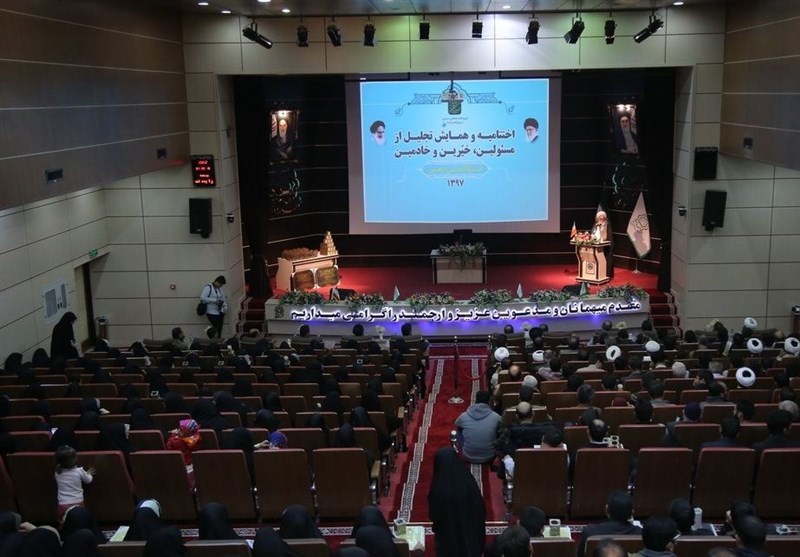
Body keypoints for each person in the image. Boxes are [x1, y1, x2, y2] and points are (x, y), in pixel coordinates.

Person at [427, 447, 486, 557]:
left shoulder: (438, 489)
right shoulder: (468, 481)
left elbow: (434, 515)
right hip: (472, 539)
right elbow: (480, 508)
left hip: (448, 543)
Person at [577, 491, 642, 557]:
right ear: (632, 512)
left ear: (606, 509)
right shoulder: (640, 533)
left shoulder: (590, 531)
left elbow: (580, 555)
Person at [454, 390, 503, 464]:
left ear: (476, 401)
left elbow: (457, 424)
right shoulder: (496, 417)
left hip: (468, 455)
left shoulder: (464, 416)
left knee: (459, 429)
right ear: (489, 402)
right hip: (489, 456)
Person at [54, 445, 95, 525]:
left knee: (63, 524)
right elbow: (88, 480)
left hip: (62, 504)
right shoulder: (79, 471)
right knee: (80, 522)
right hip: (77, 502)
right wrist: (88, 473)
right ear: (75, 459)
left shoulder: (57, 472)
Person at [165, 418, 201, 486]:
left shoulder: (174, 441)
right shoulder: (195, 440)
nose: (179, 430)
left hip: (179, 465)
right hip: (189, 466)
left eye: (181, 430)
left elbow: (169, 446)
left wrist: (173, 435)